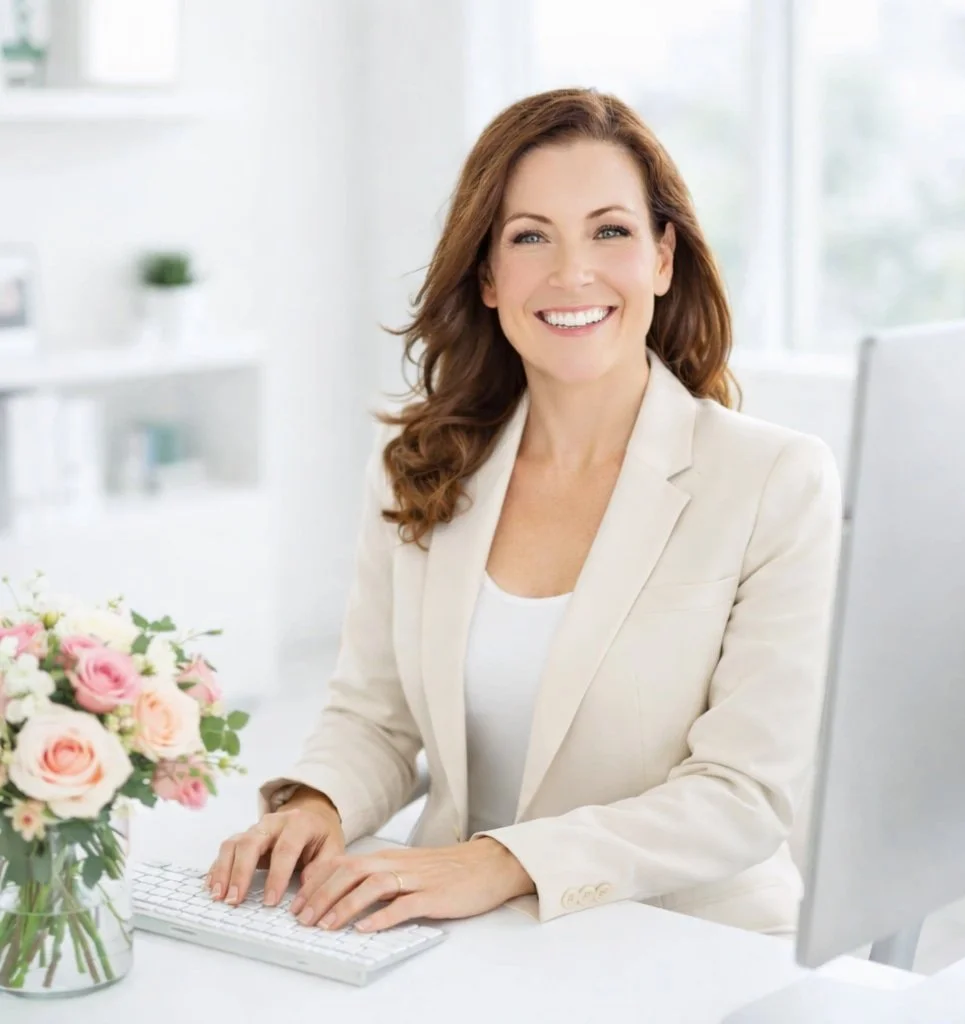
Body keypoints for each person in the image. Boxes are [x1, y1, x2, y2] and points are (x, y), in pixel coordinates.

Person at [206, 87, 843, 938]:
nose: (571, 272)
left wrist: (500, 861)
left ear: (663, 258)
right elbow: (375, 716)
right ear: (489, 277)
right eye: (530, 236)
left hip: (692, 940)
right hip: (469, 942)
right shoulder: (421, 470)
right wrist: (319, 804)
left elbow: (740, 795)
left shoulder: (776, 479)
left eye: (609, 231)